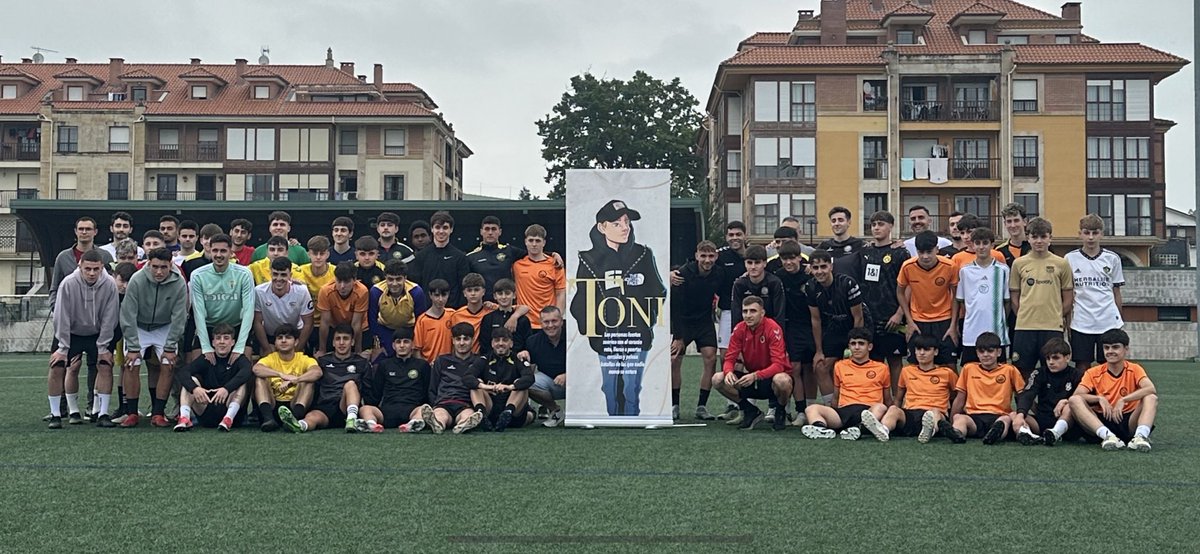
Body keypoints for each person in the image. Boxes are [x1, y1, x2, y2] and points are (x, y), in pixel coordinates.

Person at [570, 199, 666, 418]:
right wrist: (593, 328)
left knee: (632, 386)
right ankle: (613, 419)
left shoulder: (643, 254)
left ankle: (632, 420)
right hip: (606, 337)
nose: (625, 228)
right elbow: (581, 300)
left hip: (636, 335)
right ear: (601, 227)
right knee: (610, 386)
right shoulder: (588, 260)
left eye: (627, 222)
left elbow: (658, 291)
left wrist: (645, 321)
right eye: (617, 223)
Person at [48, 249, 119, 429]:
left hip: (96, 332)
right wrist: (63, 348)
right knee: (57, 366)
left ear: (102, 267)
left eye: (96, 269)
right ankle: (56, 414)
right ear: (80, 266)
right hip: (72, 332)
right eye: (88, 269)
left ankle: (102, 413)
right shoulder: (68, 283)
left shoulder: (110, 284)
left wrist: (103, 346)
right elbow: (61, 316)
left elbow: (110, 316)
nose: (92, 273)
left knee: (105, 365)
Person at [119, 248, 189, 428]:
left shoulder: (179, 282)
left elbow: (179, 316)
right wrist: (133, 347)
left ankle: (158, 413)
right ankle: (132, 413)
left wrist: (170, 346)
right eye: (155, 267)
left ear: (170, 265)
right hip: (139, 325)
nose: (159, 272)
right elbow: (128, 314)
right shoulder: (137, 279)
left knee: (168, 364)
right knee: (131, 364)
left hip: (164, 326)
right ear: (148, 263)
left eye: (163, 267)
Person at [1068, 329, 1157, 452]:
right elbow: (1078, 395)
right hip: (1103, 419)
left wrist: (1123, 400)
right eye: (1106, 348)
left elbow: (1150, 388)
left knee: (1151, 397)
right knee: (1074, 400)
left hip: (1128, 421)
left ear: (1126, 349)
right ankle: (1108, 436)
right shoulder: (1093, 372)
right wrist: (1099, 398)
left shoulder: (1135, 369)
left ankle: (1140, 437)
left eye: (1115, 347)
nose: (1110, 351)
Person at [713, 296, 793, 431]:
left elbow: (779, 365)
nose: (748, 315)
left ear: (762, 313)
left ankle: (780, 411)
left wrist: (755, 375)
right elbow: (730, 358)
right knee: (718, 379)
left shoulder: (773, 328)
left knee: (782, 380)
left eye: (753, 311)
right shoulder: (739, 328)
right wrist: (728, 372)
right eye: (745, 311)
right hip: (751, 378)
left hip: (770, 380)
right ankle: (750, 411)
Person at [1009, 217, 1074, 378]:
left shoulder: (1061, 263)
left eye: (1043, 237)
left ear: (1050, 238)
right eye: (1034, 237)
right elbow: (1014, 296)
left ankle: (1049, 396)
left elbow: (1068, 298)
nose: (1039, 241)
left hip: (1052, 327)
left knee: (1052, 370)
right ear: (1028, 238)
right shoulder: (1019, 263)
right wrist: (1023, 315)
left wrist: (1057, 316)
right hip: (1025, 327)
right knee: (1022, 371)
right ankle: (1026, 396)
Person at [861, 334, 957, 443]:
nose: (921, 353)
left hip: (936, 413)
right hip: (911, 412)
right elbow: (898, 398)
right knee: (893, 409)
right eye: (918, 349)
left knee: (934, 412)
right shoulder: (907, 371)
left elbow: (956, 396)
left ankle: (931, 431)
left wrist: (951, 418)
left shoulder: (947, 373)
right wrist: (894, 411)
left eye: (926, 350)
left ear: (935, 352)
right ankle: (883, 430)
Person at [800, 327, 890, 440]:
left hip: (869, 410)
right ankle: (820, 429)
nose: (856, 347)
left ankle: (860, 429)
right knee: (811, 409)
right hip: (844, 411)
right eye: (853, 344)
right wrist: (831, 410)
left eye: (861, 343)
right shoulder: (840, 365)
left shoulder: (882, 368)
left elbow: (887, 398)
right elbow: (836, 395)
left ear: (870, 347)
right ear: (849, 346)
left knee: (881, 407)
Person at [938, 332, 1025, 444]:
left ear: (999, 352)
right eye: (982, 351)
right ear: (977, 353)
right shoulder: (968, 368)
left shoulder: (1009, 370)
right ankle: (956, 433)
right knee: (960, 418)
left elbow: (1022, 396)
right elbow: (960, 398)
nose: (985, 355)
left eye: (990, 351)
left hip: (999, 414)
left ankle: (994, 436)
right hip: (974, 416)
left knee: (1005, 420)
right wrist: (952, 419)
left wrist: (1021, 415)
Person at [805, 249, 866, 406]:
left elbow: (858, 317)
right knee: (820, 367)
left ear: (831, 266)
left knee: (854, 366)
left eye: (823, 266)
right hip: (834, 328)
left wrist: (853, 346)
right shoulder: (810, 287)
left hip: (856, 328)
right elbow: (815, 320)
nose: (820, 271)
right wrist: (819, 351)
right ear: (810, 269)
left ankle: (859, 403)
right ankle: (832, 407)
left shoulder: (848, 284)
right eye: (815, 268)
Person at [278, 324, 366, 433]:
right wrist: (293, 381)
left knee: (350, 384)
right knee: (312, 416)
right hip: (326, 406)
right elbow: (313, 377)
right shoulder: (323, 361)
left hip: (346, 406)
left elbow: (368, 390)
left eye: (345, 339)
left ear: (352, 342)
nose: (341, 343)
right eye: (338, 339)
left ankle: (351, 419)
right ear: (333, 342)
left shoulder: (362, 362)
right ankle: (300, 425)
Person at [671, 241, 723, 421]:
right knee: (674, 359)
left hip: (704, 322)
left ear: (716, 256)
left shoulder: (719, 273)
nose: (707, 260)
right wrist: (678, 336)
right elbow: (675, 307)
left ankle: (702, 406)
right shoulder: (682, 274)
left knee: (711, 358)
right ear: (696, 256)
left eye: (711, 256)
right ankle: (674, 405)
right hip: (683, 322)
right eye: (703, 256)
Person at [1065, 214, 1125, 368]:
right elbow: (1068, 293)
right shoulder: (1069, 259)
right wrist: (1068, 322)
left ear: (1102, 234)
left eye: (1095, 233)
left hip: (1108, 322)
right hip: (1081, 322)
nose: (1091, 237)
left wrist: (1119, 319)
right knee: (1082, 366)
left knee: (1108, 364)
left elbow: (1116, 292)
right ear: (1080, 234)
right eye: (1086, 233)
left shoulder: (1112, 258)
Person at [172, 324, 252, 432]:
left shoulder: (239, 359)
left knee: (242, 384)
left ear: (233, 342)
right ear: (213, 343)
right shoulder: (206, 358)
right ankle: (184, 418)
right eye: (218, 338)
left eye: (226, 338)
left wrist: (226, 389)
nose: (222, 342)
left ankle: (228, 419)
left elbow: (247, 372)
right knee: (192, 381)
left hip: (233, 414)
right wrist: (195, 388)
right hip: (207, 409)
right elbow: (183, 372)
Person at [189, 234, 256, 363]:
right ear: (209, 250)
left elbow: (248, 311)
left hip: (235, 326)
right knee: (196, 363)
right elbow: (198, 312)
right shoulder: (197, 275)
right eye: (215, 250)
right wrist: (206, 346)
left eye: (223, 251)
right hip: (209, 326)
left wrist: (239, 346)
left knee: (245, 362)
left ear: (231, 252)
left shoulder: (244, 274)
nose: (219, 255)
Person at [897, 231, 959, 365]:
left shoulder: (950, 266)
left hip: (944, 320)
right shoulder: (907, 266)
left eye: (929, 252)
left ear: (937, 249)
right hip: (918, 321)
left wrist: (953, 325)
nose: (925, 256)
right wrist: (909, 321)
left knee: (949, 364)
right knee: (915, 365)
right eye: (921, 252)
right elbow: (900, 293)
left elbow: (956, 295)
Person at [860, 211, 910, 376]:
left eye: (880, 224)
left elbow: (908, 286)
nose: (876, 228)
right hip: (870, 319)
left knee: (895, 362)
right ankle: (877, 393)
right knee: (874, 364)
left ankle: (897, 394)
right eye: (873, 224)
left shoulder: (900, 253)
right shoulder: (865, 251)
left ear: (891, 226)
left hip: (892, 318)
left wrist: (899, 313)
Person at [772, 240, 814, 425]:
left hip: (812, 325)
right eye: (784, 259)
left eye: (792, 258)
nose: (788, 262)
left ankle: (811, 408)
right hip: (791, 327)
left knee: (811, 368)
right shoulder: (778, 276)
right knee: (794, 368)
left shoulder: (809, 274)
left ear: (799, 258)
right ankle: (799, 410)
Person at [1013, 337, 1082, 445]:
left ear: (1067, 357)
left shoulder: (1077, 375)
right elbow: (1028, 394)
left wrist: (1066, 401)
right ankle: (1029, 435)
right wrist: (1021, 414)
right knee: (1013, 415)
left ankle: (1056, 432)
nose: (1051, 362)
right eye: (1048, 358)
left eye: (1056, 358)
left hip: (1068, 423)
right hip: (1042, 421)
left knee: (1070, 405)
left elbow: (1084, 398)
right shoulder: (1039, 373)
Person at [359, 329, 430, 433]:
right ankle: (371, 424)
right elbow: (376, 394)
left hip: (412, 410)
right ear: (393, 345)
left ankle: (413, 424)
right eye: (398, 342)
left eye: (406, 342)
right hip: (387, 411)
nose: (402, 345)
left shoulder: (422, 365)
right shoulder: (384, 365)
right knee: (365, 409)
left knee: (423, 409)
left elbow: (427, 392)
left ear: (412, 345)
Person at [956, 227, 1010, 364]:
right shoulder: (965, 271)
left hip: (996, 332)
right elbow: (961, 301)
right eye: (978, 243)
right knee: (970, 371)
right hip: (971, 333)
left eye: (985, 243)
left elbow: (1007, 302)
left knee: (998, 371)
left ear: (992, 245)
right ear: (972, 245)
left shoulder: (1003, 270)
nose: (981, 247)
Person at [252, 324, 321, 432]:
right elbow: (256, 369)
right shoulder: (270, 358)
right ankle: (268, 419)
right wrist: (281, 375)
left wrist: (295, 380)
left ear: (296, 342)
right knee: (260, 379)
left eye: (288, 337)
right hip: (273, 404)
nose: (283, 341)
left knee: (308, 381)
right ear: (275, 343)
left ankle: (293, 420)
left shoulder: (304, 359)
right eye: (280, 338)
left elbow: (317, 372)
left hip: (295, 405)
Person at [465, 327, 535, 432]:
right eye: (497, 340)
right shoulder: (484, 359)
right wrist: (487, 387)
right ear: (492, 344)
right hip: (491, 409)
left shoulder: (518, 359)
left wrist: (509, 387)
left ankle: (507, 413)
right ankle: (481, 414)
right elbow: (467, 377)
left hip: (514, 411)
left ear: (511, 344)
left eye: (505, 340)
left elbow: (530, 378)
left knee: (520, 384)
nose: (501, 343)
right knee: (476, 383)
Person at [420, 322, 485, 434]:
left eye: (466, 339)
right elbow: (432, 388)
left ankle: (462, 425)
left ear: (472, 340)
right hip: (444, 402)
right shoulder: (441, 360)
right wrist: (434, 404)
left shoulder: (479, 361)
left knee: (467, 415)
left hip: (466, 404)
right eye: (458, 339)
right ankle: (438, 424)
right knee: (441, 415)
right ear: (453, 340)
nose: (462, 343)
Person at [253, 256, 315, 356]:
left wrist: (298, 349)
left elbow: (308, 322)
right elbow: (257, 322)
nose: (278, 279)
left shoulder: (302, 291)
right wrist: (266, 348)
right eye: (275, 274)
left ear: (290, 275)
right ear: (270, 273)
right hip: (270, 336)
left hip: (294, 335)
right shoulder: (259, 291)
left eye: (283, 275)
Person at [368, 259, 429, 358]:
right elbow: (372, 319)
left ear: (405, 278)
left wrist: (416, 345)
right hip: (385, 330)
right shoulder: (376, 291)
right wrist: (378, 345)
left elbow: (421, 320)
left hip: (408, 330)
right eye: (390, 279)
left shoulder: (416, 291)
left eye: (398, 279)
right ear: (385, 278)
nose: (394, 283)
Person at [410, 211, 471, 308]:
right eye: (437, 227)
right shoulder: (421, 256)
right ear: (432, 229)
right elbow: (416, 286)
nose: (441, 231)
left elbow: (463, 287)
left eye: (445, 228)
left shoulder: (460, 257)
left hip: (452, 310)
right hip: (426, 310)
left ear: (451, 229)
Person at [511, 223, 566, 328]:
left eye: (538, 241)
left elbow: (561, 294)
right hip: (524, 322)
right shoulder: (517, 265)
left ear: (544, 243)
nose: (534, 244)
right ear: (525, 242)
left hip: (547, 323)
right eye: (531, 240)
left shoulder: (555, 264)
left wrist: (557, 319)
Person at [524, 306, 566, 427]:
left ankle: (583, 415)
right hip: (550, 382)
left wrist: (568, 375)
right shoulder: (532, 341)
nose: (550, 325)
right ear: (540, 323)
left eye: (554, 321)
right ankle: (556, 411)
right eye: (546, 322)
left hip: (576, 381)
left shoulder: (573, 337)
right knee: (527, 382)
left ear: (561, 321)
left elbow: (586, 366)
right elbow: (529, 371)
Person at [316, 262, 369, 357]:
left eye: (347, 282)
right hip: (335, 326)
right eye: (339, 281)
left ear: (355, 280)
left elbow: (356, 324)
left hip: (358, 328)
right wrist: (322, 350)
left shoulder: (362, 291)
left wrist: (358, 352)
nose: (342, 286)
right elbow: (325, 322)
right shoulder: (325, 291)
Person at [468, 215, 524, 297]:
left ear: (500, 232)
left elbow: (533, 256)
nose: (490, 232)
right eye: (487, 229)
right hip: (483, 303)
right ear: (481, 231)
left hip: (505, 301)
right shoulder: (471, 257)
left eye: (494, 229)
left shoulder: (510, 251)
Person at [730, 245, 785, 328]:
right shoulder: (739, 284)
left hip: (770, 328)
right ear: (745, 263)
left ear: (765, 263)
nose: (753, 267)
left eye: (757, 263)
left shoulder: (774, 283)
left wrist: (777, 333)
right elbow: (736, 315)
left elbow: (779, 315)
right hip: (747, 329)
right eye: (749, 263)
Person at [298, 235, 335, 352]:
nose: (318, 257)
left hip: (329, 323)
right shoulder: (299, 271)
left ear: (327, 254)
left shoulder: (335, 272)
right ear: (308, 254)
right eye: (314, 253)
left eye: (322, 253)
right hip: (303, 323)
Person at [477, 278, 531, 357]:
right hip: (493, 360)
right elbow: (484, 344)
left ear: (514, 295)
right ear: (495, 296)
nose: (504, 297)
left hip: (516, 359)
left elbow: (527, 343)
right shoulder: (488, 319)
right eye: (500, 294)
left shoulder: (523, 320)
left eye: (507, 293)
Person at [414, 279, 456, 362]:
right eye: (437, 295)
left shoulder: (453, 315)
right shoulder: (422, 320)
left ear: (448, 295)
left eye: (444, 295)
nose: (440, 299)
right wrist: (425, 366)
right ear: (430, 295)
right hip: (428, 364)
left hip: (449, 365)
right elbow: (416, 350)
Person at [450, 273, 494, 353]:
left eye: (476, 290)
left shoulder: (491, 311)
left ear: (483, 291)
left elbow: (515, 308)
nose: (473, 293)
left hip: (484, 356)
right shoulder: (456, 315)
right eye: (469, 290)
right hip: (462, 357)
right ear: (464, 293)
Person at [817, 206, 865, 279]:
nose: (836, 223)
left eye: (840, 220)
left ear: (849, 222)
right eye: (833, 221)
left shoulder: (860, 245)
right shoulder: (823, 247)